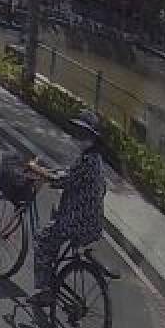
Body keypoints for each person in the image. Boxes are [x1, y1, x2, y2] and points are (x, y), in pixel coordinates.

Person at [24, 111, 107, 306]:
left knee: (42, 241)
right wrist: (52, 173)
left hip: (76, 223)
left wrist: (39, 171)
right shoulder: (95, 159)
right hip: (92, 223)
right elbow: (75, 176)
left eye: (83, 134)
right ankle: (53, 279)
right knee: (55, 231)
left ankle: (45, 291)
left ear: (92, 137)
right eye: (79, 132)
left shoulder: (87, 161)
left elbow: (63, 180)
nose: (79, 137)